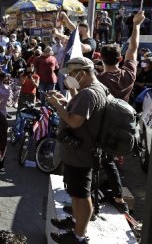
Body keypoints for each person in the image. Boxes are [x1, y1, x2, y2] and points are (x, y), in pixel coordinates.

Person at [46, 57, 105, 244]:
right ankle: (74, 222)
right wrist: (65, 103)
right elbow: (76, 113)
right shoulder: (89, 91)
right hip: (77, 152)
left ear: (83, 72)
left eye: (72, 73)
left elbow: (74, 121)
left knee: (82, 195)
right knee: (76, 193)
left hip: (81, 153)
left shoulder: (89, 94)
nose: (69, 77)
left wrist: (57, 106)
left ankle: (79, 236)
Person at [94, 10, 144, 214]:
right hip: (121, 127)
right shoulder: (129, 75)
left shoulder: (98, 80)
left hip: (101, 128)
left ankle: (89, 198)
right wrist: (137, 24)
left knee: (95, 162)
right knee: (110, 162)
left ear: (102, 60)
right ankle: (117, 196)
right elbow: (134, 47)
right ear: (120, 58)